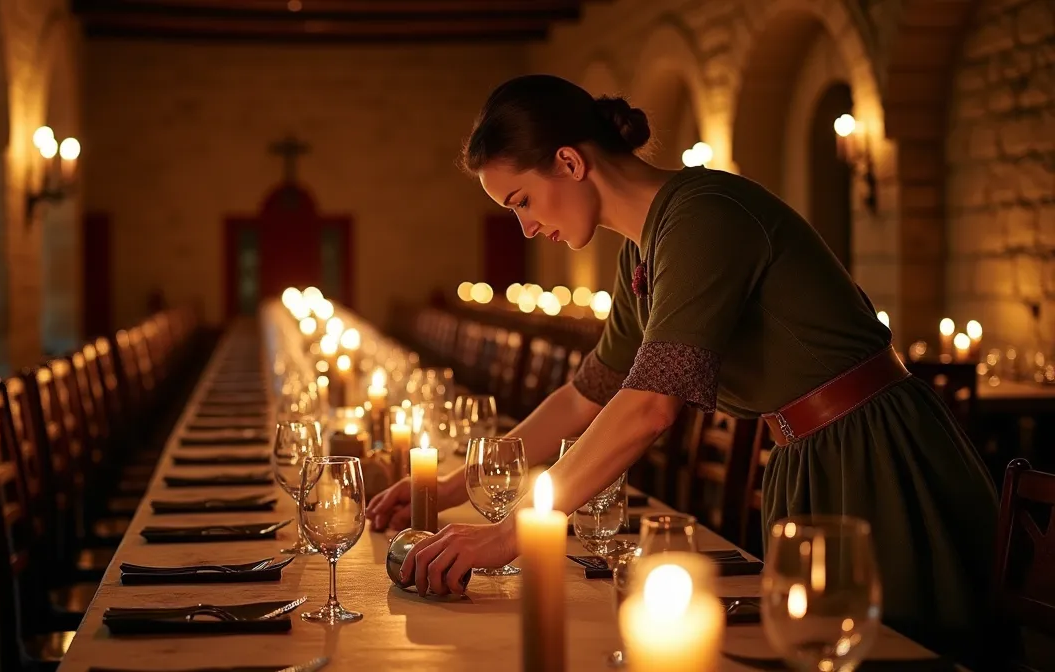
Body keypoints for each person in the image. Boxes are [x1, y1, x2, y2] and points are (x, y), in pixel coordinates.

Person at [365, 74, 997, 662]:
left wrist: (512, 534)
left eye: (522, 200)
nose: (525, 227)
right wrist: (453, 488)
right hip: (803, 459)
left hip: (874, 452)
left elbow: (650, 405)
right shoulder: (641, 252)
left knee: (898, 652)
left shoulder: (703, 215)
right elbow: (586, 396)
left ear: (570, 162)